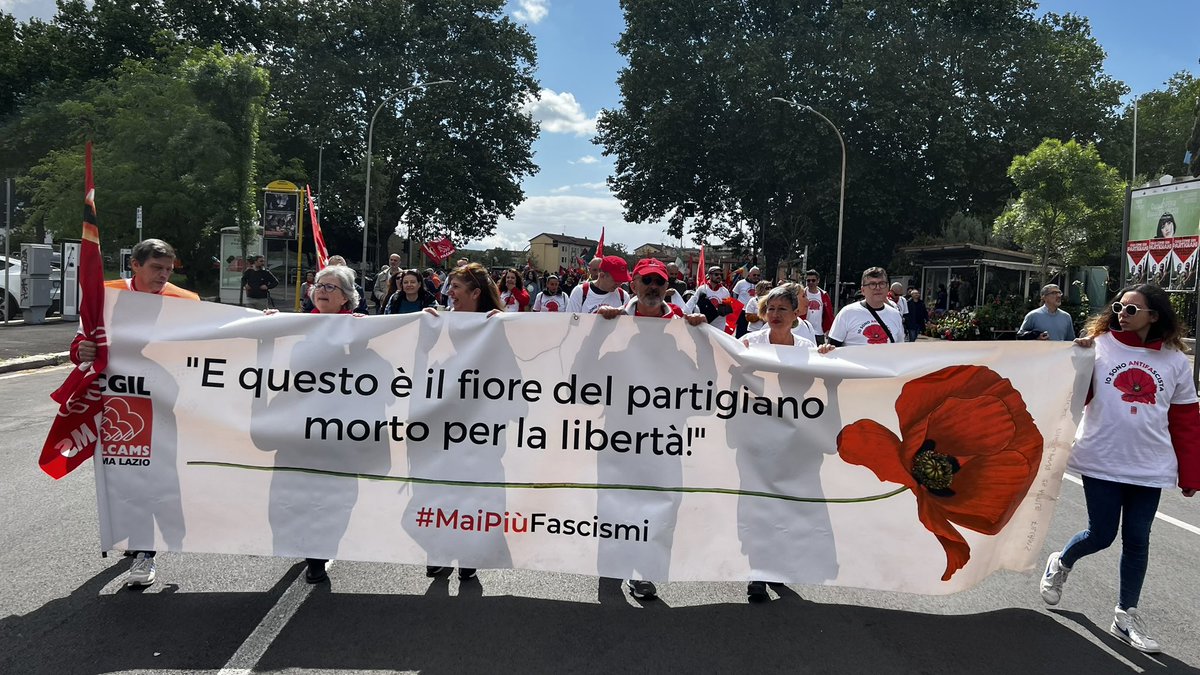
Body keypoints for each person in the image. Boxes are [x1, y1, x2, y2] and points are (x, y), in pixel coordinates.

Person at [1039, 284, 1199, 654]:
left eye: (1131, 310)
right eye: (1118, 308)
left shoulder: (1175, 360)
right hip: (1101, 459)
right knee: (1102, 534)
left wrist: (1191, 474)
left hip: (1150, 466)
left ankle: (1126, 615)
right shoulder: (1098, 347)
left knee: (1138, 541)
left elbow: (1186, 420)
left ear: (1154, 316)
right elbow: (1070, 394)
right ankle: (1061, 562)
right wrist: (1074, 361)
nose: (1121, 315)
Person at [71, 238, 199, 587]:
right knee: (122, 475)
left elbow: (212, 343)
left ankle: (146, 551)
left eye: (169, 269)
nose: (164, 275)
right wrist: (79, 351)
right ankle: (132, 537)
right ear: (135, 266)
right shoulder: (106, 294)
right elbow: (84, 340)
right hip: (118, 404)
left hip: (164, 404)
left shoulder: (185, 301)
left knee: (154, 476)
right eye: (156, 268)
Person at [594, 258, 706, 599]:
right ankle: (612, 567)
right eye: (646, 281)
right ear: (633, 285)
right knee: (614, 502)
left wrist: (701, 336)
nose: (653, 287)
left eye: (659, 281)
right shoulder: (613, 322)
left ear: (666, 285)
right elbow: (580, 376)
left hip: (664, 439)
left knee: (659, 503)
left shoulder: (684, 327)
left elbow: (707, 383)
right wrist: (597, 331)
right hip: (618, 436)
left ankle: (645, 571)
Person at [422, 262, 506, 580]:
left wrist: (507, 326)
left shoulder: (499, 325)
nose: (450, 293)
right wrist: (423, 329)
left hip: (484, 428)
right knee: (440, 489)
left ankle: (470, 553)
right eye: (450, 287)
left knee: (476, 492)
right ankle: (439, 550)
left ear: (475, 293)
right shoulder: (439, 321)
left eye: (456, 287)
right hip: (445, 424)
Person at [826, 267, 905, 346]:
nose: (878, 288)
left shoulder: (895, 315)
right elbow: (832, 348)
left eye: (882, 283)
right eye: (872, 284)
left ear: (888, 288)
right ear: (863, 290)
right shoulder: (847, 313)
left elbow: (899, 349)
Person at [566, 256, 631, 314]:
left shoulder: (623, 296)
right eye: (616, 280)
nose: (619, 284)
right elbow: (570, 322)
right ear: (602, 275)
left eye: (621, 280)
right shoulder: (580, 291)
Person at [802, 270, 835, 345]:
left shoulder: (824, 295)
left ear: (818, 281)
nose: (810, 283)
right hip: (804, 331)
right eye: (808, 280)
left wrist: (829, 328)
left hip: (819, 332)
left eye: (813, 280)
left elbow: (829, 313)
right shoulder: (802, 294)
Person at [731, 266, 761, 337]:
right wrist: (736, 310)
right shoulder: (740, 283)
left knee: (752, 334)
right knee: (741, 333)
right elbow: (734, 295)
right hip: (742, 312)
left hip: (755, 313)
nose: (756, 277)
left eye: (758, 275)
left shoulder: (761, 285)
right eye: (754, 275)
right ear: (749, 274)